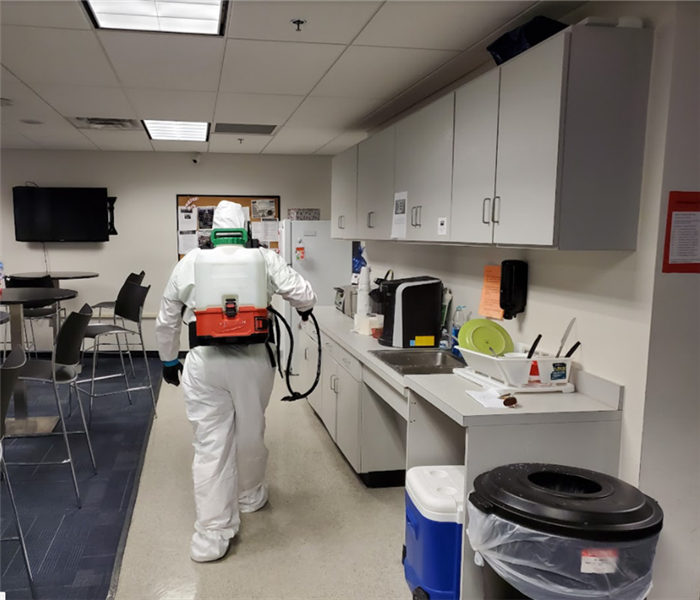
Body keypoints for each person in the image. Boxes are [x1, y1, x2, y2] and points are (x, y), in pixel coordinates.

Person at [155, 201, 316, 562]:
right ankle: (250, 495)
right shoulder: (264, 258)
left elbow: (166, 318)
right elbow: (304, 295)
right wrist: (303, 307)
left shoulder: (191, 260)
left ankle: (212, 535)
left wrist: (168, 359)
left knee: (211, 442)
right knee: (250, 431)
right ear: (246, 226)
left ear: (212, 228)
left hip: (203, 362)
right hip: (253, 362)